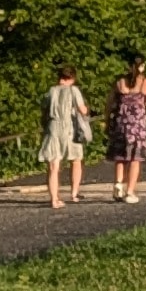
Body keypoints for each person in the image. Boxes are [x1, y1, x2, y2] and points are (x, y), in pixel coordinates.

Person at [107, 57, 146, 204]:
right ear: (142, 66)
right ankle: (130, 192)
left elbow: (109, 103)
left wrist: (107, 122)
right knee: (135, 158)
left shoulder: (119, 82)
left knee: (120, 156)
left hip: (121, 123)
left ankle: (118, 183)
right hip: (137, 126)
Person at [39, 65, 90, 209]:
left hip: (54, 127)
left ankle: (54, 199)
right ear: (72, 78)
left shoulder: (51, 91)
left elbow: (44, 110)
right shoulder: (74, 90)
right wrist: (86, 111)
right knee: (76, 159)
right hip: (70, 128)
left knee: (54, 165)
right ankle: (74, 193)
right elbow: (82, 109)